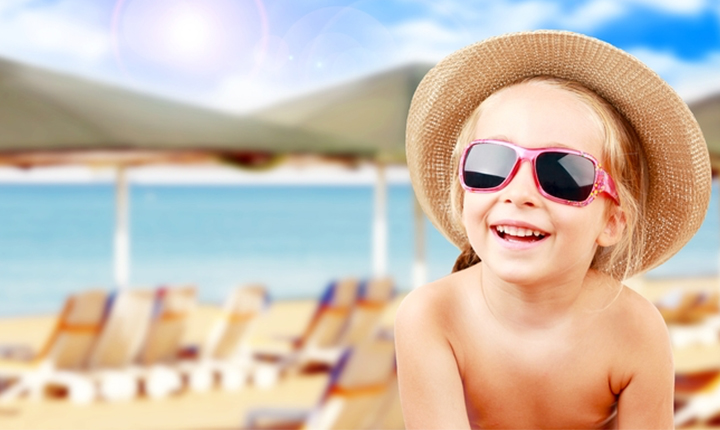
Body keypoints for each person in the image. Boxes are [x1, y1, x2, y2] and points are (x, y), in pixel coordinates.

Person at [395, 30, 712, 429]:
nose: (519, 193)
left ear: (612, 222)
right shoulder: (432, 317)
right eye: (491, 163)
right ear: (462, 193)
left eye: (562, 174)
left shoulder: (634, 329)